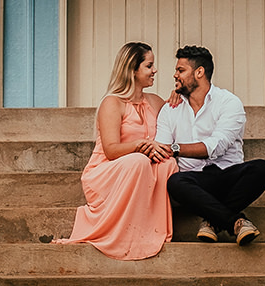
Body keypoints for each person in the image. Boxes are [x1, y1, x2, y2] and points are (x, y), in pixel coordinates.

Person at [52, 41, 177, 259]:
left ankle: (150, 228)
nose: (155, 70)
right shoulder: (112, 103)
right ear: (132, 69)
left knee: (169, 164)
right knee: (138, 161)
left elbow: (177, 123)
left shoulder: (155, 102)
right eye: (149, 66)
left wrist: (179, 97)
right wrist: (140, 145)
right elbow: (110, 150)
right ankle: (122, 232)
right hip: (107, 171)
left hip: (140, 169)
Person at [153, 44, 265, 244]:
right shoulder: (170, 109)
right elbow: (161, 147)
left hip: (228, 176)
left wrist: (176, 149)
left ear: (199, 72)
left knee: (262, 169)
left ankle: (212, 220)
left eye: (180, 70)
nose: (175, 75)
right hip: (195, 183)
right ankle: (235, 222)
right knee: (175, 183)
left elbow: (216, 146)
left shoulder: (228, 102)